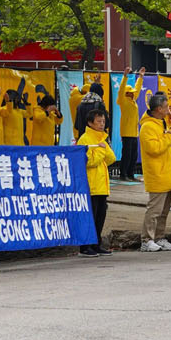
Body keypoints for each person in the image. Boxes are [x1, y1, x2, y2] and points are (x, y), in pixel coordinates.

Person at [138, 92, 171, 252]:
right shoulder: (147, 127)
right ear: (158, 109)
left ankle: (159, 237)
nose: (168, 109)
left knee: (163, 211)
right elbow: (154, 149)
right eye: (166, 107)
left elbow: (169, 132)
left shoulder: (160, 122)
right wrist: (168, 138)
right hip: (157, 174)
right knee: (154, 210)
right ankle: (146, 240)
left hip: (166, 173)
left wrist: (169, 122)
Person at [77, 108, 116, 257]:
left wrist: (103, 148)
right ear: (90, 123)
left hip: (102, 186)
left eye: (103, 121)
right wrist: (101, 150)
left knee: (100, 217)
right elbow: (89, 161)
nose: (102, 124)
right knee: (90, 218)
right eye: (99, 121)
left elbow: (111, 159)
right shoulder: (85, 139)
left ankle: (96, 244)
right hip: (91, 186)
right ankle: (85, 247)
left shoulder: (102, 138)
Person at [116, 68, 143, 181]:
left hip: (134, 132)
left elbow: (137, 89)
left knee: (133, 155)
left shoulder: (133, 100)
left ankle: (131, 174)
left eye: (132, 93)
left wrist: (140, 77)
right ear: (126, 93)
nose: (132, 94)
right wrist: (125, 76)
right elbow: (121, 90)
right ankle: (123, 174)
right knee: (126, 155)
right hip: (126, 132)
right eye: (130, 92)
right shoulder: (122, 100)